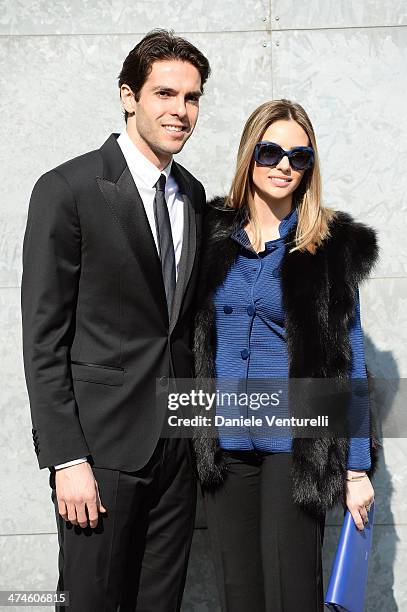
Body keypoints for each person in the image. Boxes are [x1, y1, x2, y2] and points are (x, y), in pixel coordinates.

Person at [21, 29, 210, 611]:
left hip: (177, 449)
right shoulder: (68, 188)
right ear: (128, 96)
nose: (181, 111)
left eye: (193, 97)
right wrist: (66, 459)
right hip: (99, 454)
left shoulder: (193, 195)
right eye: (166, 94)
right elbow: (43, 337)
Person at [192, 99, 379, 611]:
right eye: (271, 151)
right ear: (248, 154)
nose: (284, 166)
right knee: (240, 593)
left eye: (300, 157)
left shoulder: (327, 247)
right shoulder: (208, 235)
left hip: (294, 445)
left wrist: (357, 470)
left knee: (292, 591)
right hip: (225, 443)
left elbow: (351, 358)